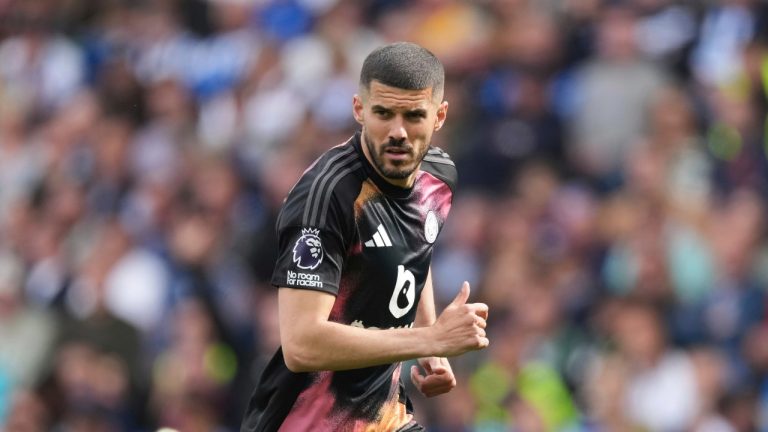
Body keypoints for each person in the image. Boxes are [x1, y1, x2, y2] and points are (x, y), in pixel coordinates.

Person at [241, 41, 490, 432]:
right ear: (359, 109)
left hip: (385, 418)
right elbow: (302, 344)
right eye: (383, 113)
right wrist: (431, 340)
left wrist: (430, 342)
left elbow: (413, 253)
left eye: (413, 116)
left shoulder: (438, 177)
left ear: (439, 116)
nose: (398, 132)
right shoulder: (327, 198)